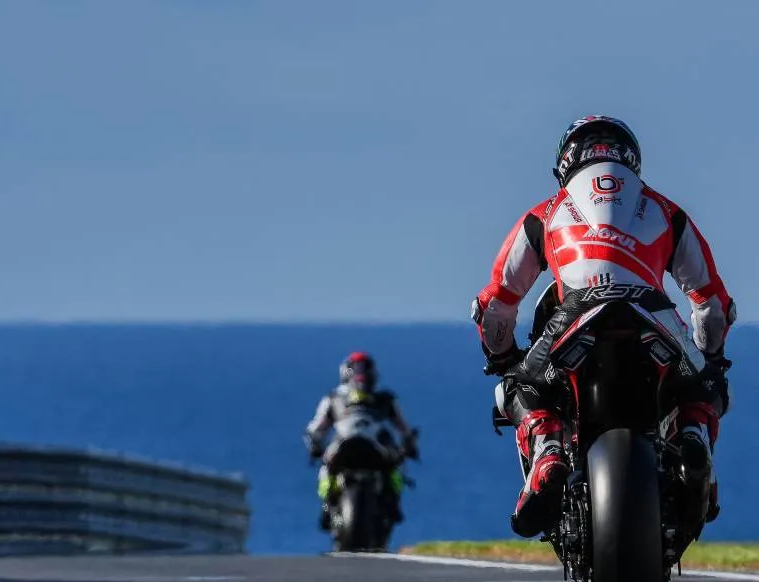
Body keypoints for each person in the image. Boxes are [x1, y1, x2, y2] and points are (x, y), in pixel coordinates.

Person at [471, 115, 736, 538]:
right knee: (704, 386)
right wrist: (712, 358)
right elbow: (712, 304)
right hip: (655, 314)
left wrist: (502, 358)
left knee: (517, 389)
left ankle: (548, 452)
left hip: (573, 313)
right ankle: (693, 437)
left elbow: (496, 306)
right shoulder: (668, 211)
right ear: (632, 160)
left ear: (564, 164)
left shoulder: (544, 214)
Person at [303, 352, 418, 529]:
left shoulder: (334, 398)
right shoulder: (339, 399)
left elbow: (316, 429)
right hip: (361, 448)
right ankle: (330, 506)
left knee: (394, 468)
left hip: (360, 448)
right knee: (328, 469)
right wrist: (409, 445)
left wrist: (314, 444)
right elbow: (405, 428)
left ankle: (329, 507)